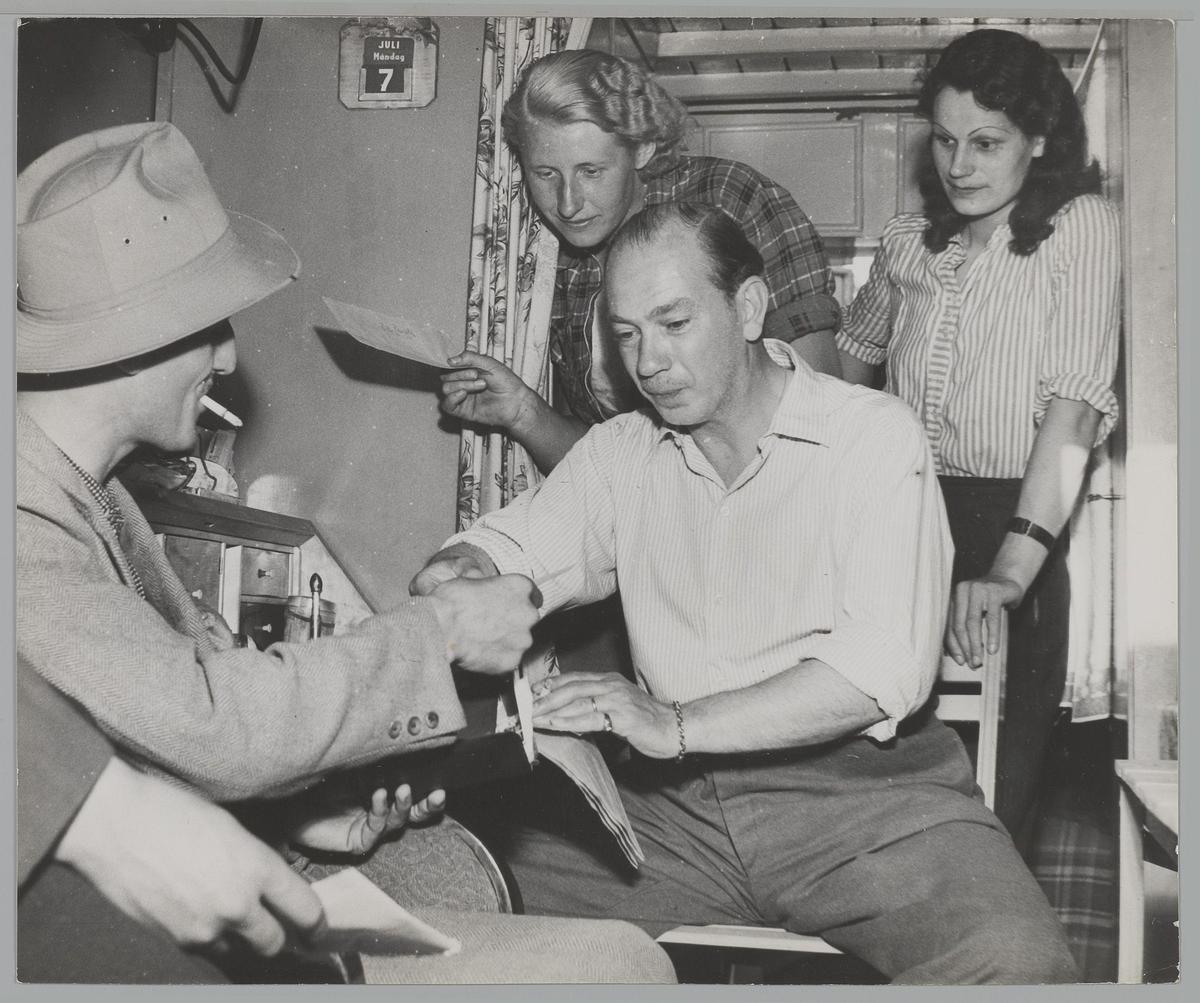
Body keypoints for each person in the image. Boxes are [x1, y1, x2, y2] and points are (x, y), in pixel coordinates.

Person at [14, 121, 675, 985]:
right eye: (208, 325)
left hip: (194, 908)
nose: (228, 355)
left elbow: (137, 747)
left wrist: (297, 814)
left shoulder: (92, 495)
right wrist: (439, 631)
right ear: (129, 341)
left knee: (619, 956)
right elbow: (210, 723)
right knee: (618, 967)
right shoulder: (23, 522)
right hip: (130, 954)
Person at [413, 202, 1078, 984]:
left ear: (751, 307)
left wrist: (672, 722)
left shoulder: (871, 434)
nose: (648, 361)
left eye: (674, 323)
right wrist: (457, 573)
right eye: (627, 334)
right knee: (440, 889)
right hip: (673, 814)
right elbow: (511, 547)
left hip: (871, 805)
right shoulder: (621, 451)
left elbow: (881, 669)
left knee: (1022, 966)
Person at [835, 28, 1121, 859]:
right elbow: (838, 376)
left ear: (1040, 139)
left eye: (986, 143)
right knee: (875, 788)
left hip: (1015, 525)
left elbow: (1074, 413)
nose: (959, 165)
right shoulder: (907, 244)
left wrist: (1007, 572)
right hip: (900, 525)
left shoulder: (1079, 228)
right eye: (946, 140)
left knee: (991, 805)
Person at [438, 48, 842, 475]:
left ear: (643, 148)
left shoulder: (733, 199)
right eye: (546, 174)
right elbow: (611, 466)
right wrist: (524, 412)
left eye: (591, 171)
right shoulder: (547, 258)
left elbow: (819, 411)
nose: (568, 204)